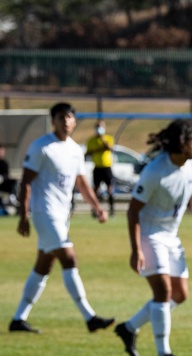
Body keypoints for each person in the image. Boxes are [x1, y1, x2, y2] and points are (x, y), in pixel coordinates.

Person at [115, 119, 192, 356]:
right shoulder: (154, 171)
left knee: (180, 295)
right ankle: (163, 353)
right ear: (182, 144)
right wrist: (136, 249)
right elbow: (133, 211)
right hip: (149, 234)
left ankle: (129, 328)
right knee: (162, 292)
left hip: (171, 236)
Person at [10, 102, 114, 335]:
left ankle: (18, 319)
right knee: (69, 257)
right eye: (61, 117)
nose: (66, 121)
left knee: (43, 266)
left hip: (61, 215)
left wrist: (97, 207)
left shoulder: (75, 150)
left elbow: (82, 183)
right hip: (44, 213)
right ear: (53, 121)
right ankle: (90, 317)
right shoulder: (41, 147)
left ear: (74, 121)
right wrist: (23, 214)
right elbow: (26, 182)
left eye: (69, 117)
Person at [85, 119, 115, 217]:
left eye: (101, 127)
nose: (99, 129)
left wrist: (103, 141)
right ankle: (95, 209)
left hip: (107, 167)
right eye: (98, 127)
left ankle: (111, 209)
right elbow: (88, 153)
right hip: (97, 167)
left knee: (110, 189)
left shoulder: (109, 138)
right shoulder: (91, 141)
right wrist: (98, 149)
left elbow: (110, 148)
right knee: (95, 190)